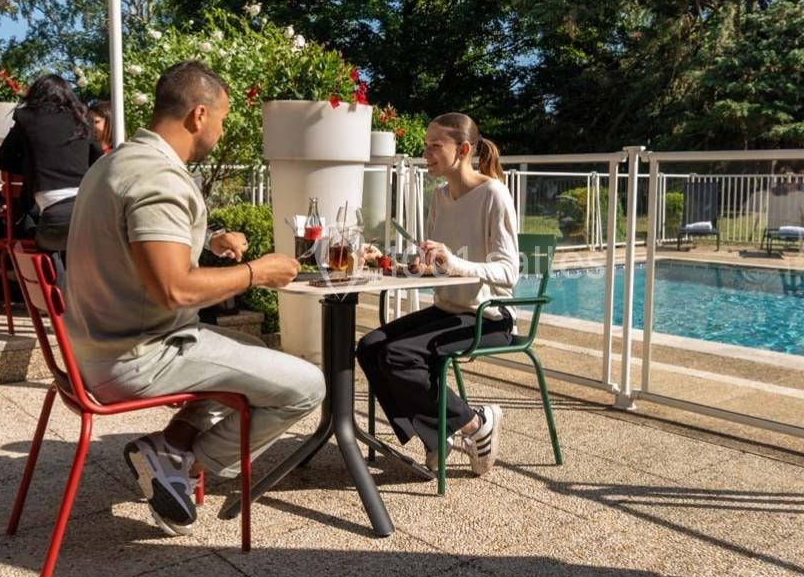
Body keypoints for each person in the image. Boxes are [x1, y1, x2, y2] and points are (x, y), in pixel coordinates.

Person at [63, 60, 324, 536]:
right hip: (137, 358)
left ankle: (170, 445)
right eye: (222, 118)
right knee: (308, 387)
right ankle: (182, 464)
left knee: (252, 355)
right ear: (199, 115)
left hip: (91, 350)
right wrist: (256, 273)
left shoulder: (114, 163)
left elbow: (132, 246)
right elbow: (175, 288)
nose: (221, 131)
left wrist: (206, 239)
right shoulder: (158, 178)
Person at [355, 112, 518, 475]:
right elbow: (438, 266)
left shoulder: (494, 194)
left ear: (463, 150)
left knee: (398, 355)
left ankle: (474, 423)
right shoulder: (440, 197)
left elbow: (509, 273)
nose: (425, 153)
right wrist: (400, 264)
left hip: (488, 316)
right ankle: (437, 433)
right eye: (425, 146)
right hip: (449, 309)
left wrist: (454, 262)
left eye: (435, 146)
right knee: (369, 347)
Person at [0, 74, 102, 254]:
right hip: (88, 212)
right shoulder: (83, 120)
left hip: (51, 218)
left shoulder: (26, 118)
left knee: (33, 227)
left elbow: (3, 160)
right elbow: (97, 160)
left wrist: (32, 167)